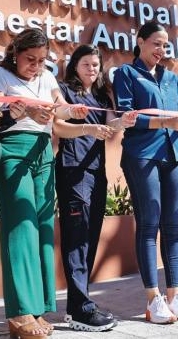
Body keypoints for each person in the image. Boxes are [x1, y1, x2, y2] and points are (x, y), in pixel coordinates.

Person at [0, 28, 88, 339]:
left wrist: (75, 111)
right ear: (15, 52)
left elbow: (60, 108)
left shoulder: (47, 78)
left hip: (43, 150)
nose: (36, 66)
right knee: (21, 226)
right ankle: (18, 313)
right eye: (30, 59)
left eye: (42, 61)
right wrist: (24, 109)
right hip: (12, 147)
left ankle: (37, 308)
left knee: (43, 226)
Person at [113, 21, 178, 325]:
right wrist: (165, 123)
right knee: (149, 222)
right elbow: (128, 117)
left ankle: (174, 296)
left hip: (173, 155)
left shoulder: (172, 78)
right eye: (155, 43)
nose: (161, 50)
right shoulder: (125, 74)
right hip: (142, 155)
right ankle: (153, 299)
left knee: (173, 225)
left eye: (165, 45)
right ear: (140, 42)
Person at [52, 44, 136, 332]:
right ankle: (79, 308)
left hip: (95, 171)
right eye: (86, 64)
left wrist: (123, 121)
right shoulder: (63, 90)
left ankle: (81, 302)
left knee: (90, 236)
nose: (92, 69)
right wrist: (88, 127)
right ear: (75, 65)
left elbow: (111, 125)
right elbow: (58, 125)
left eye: (96, 65)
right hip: (72, 170)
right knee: (76, 238)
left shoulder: (101, 96)